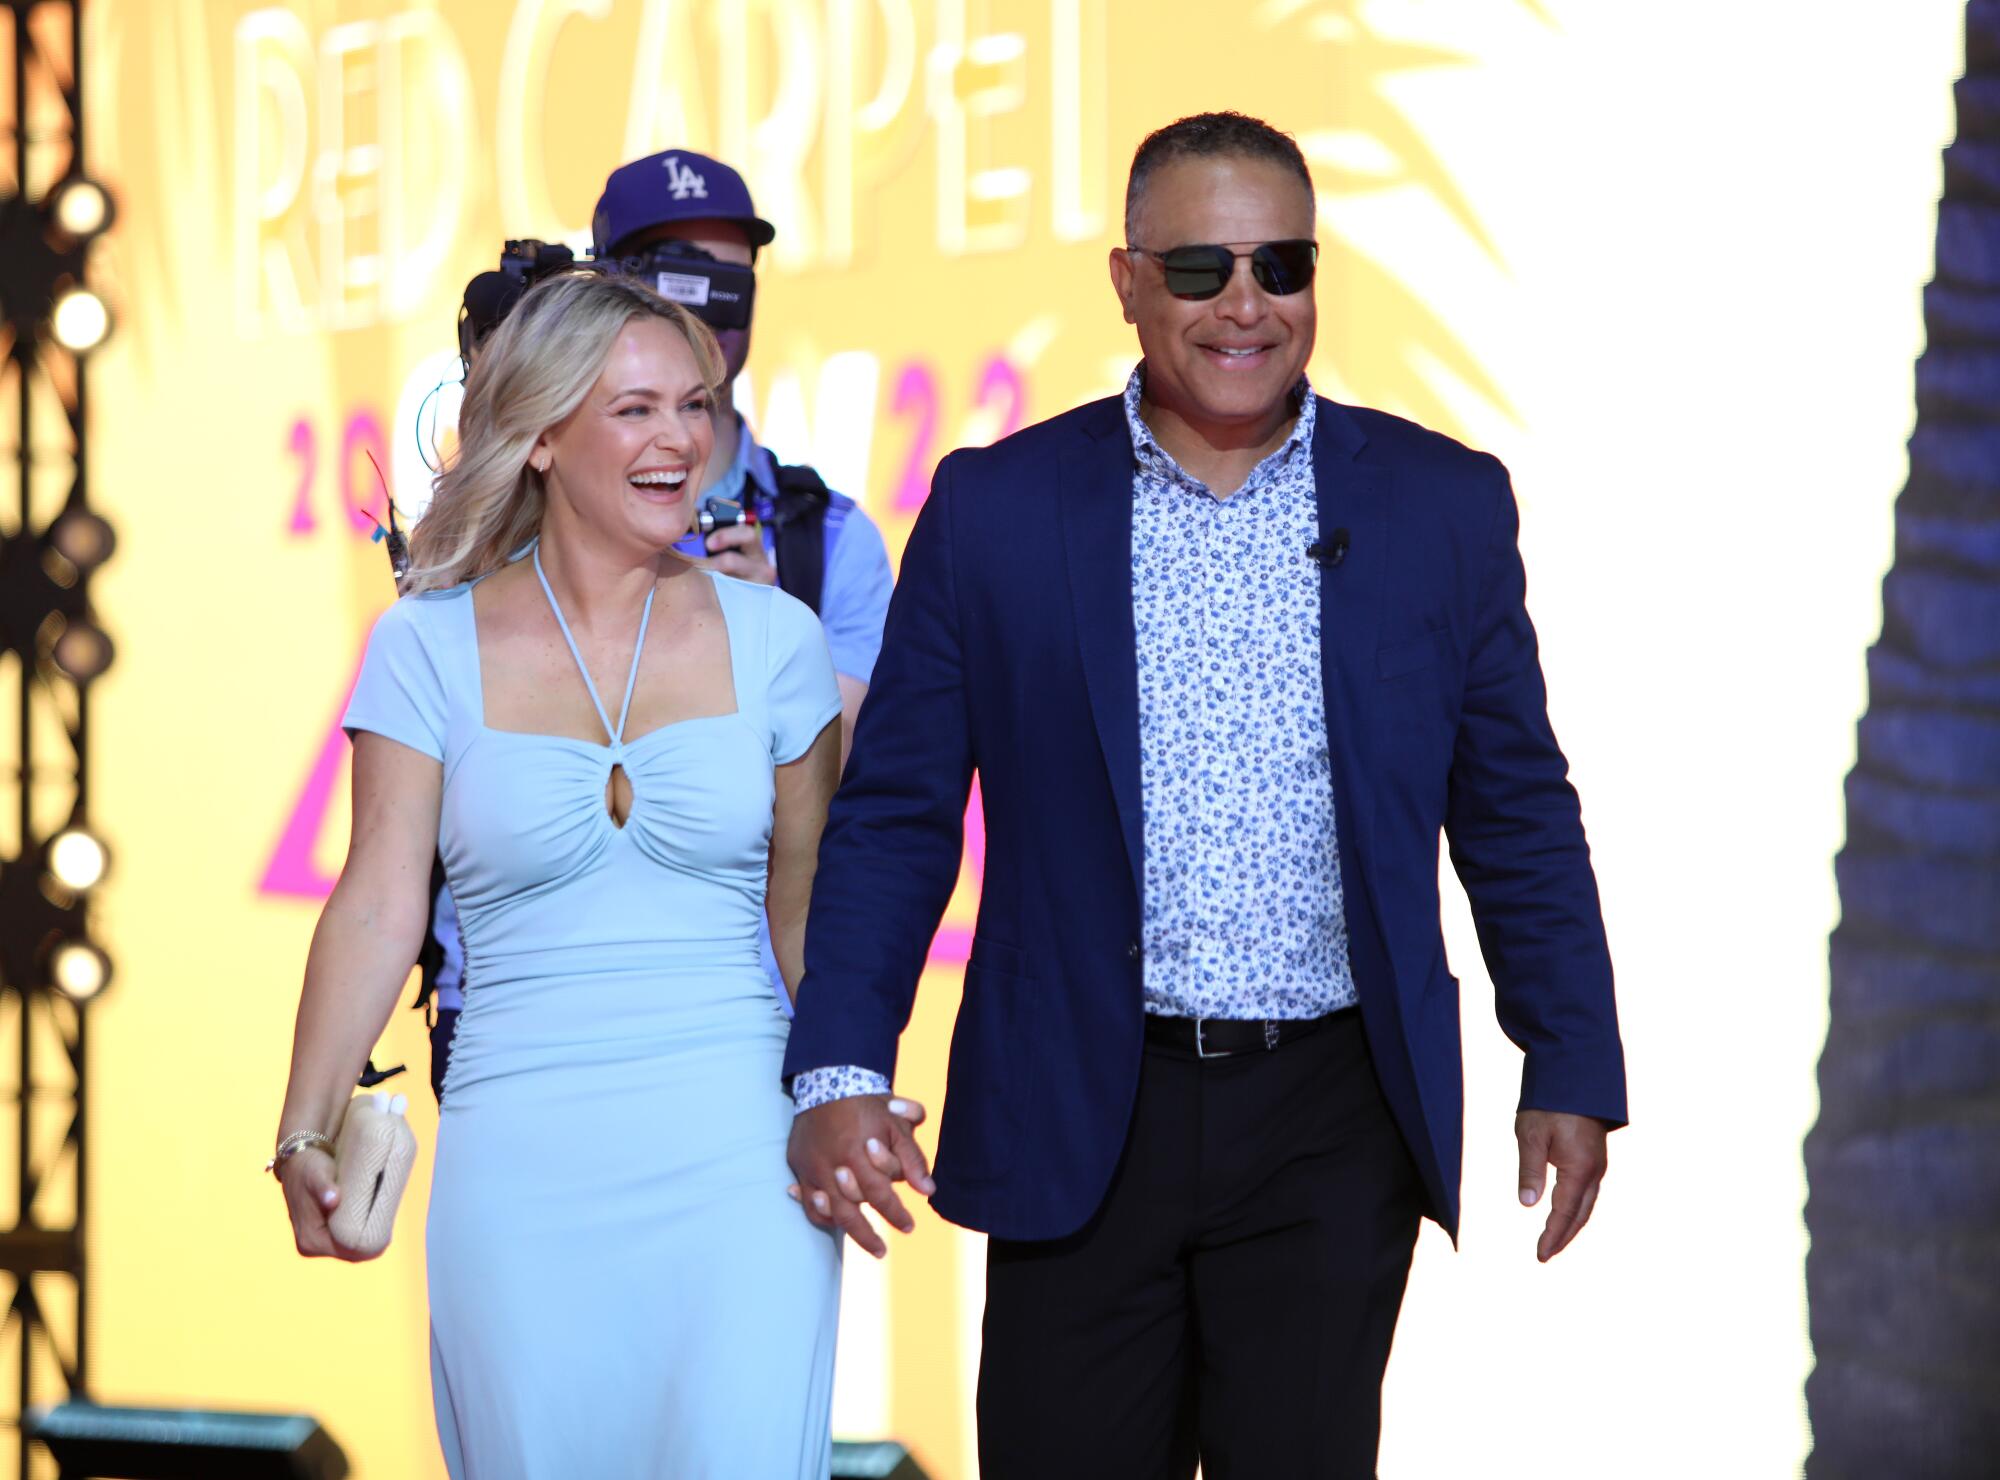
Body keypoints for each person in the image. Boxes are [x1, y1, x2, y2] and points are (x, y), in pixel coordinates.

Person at [782, 111, 1628, 1479]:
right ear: (1125, 283)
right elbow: (895, 817)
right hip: (1076, 1109)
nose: (1246, 305)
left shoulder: (1438, 505)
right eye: (1198, 271)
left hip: (1328, 1121)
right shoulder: (997, 508)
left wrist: (1572, 1056)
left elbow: (1516, 808)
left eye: (1280, 265)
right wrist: (837, 1063)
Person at [272, 272, 853, 1476]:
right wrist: (301, 1132)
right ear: (539, 435)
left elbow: (808, 913)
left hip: (739, 1154)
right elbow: (379, 903)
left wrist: (847, 1087)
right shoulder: (424, 644)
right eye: (633, 408)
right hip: (520, 1155)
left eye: (693, 406)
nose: (679, 439)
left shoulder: (780, 639)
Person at [419, 152, 895, 1098]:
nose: (705, 306)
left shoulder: (826, 539)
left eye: (732, 278)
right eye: (673, 273)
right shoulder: (507, 512)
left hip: (739, 1022)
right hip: (515, 1027)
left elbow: (825, 799)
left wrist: (765, 624)